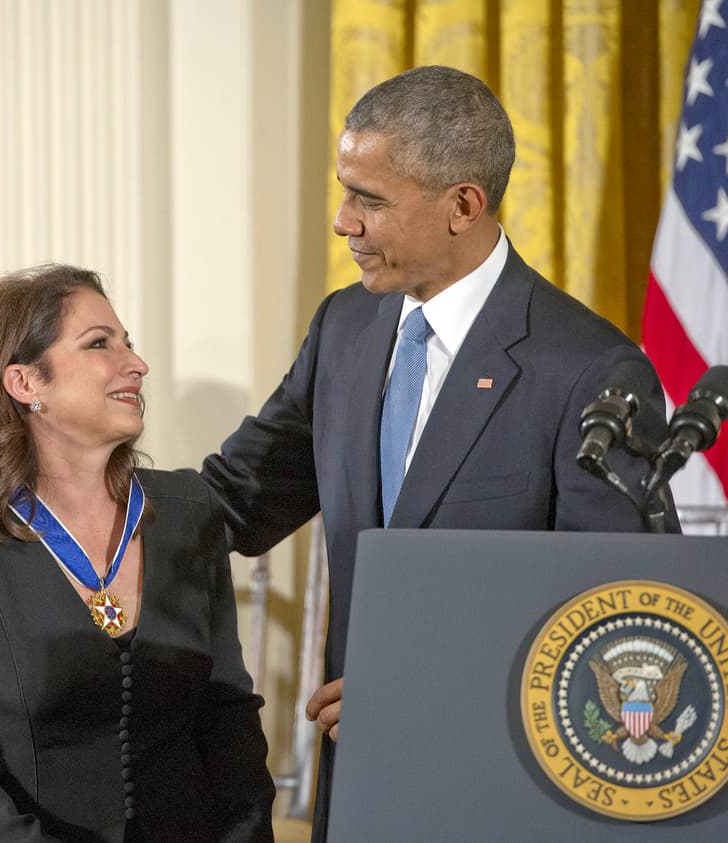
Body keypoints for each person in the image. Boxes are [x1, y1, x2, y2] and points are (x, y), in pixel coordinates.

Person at [197, 66, 677, 840]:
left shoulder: (590, 371)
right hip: (356, 788)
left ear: (463, 205)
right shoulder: (345, 329)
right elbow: (232, 499)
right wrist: (71, 500)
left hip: (503, 792)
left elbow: (624, 628)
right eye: (345, 190)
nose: (342, 222)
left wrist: (432, 695)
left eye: (370, 200)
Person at [0, 264, 275, 841]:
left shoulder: (189, 508)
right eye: (99, 344)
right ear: (25, 384)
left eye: (129, 344)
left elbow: (228, 711)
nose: (135, 364)